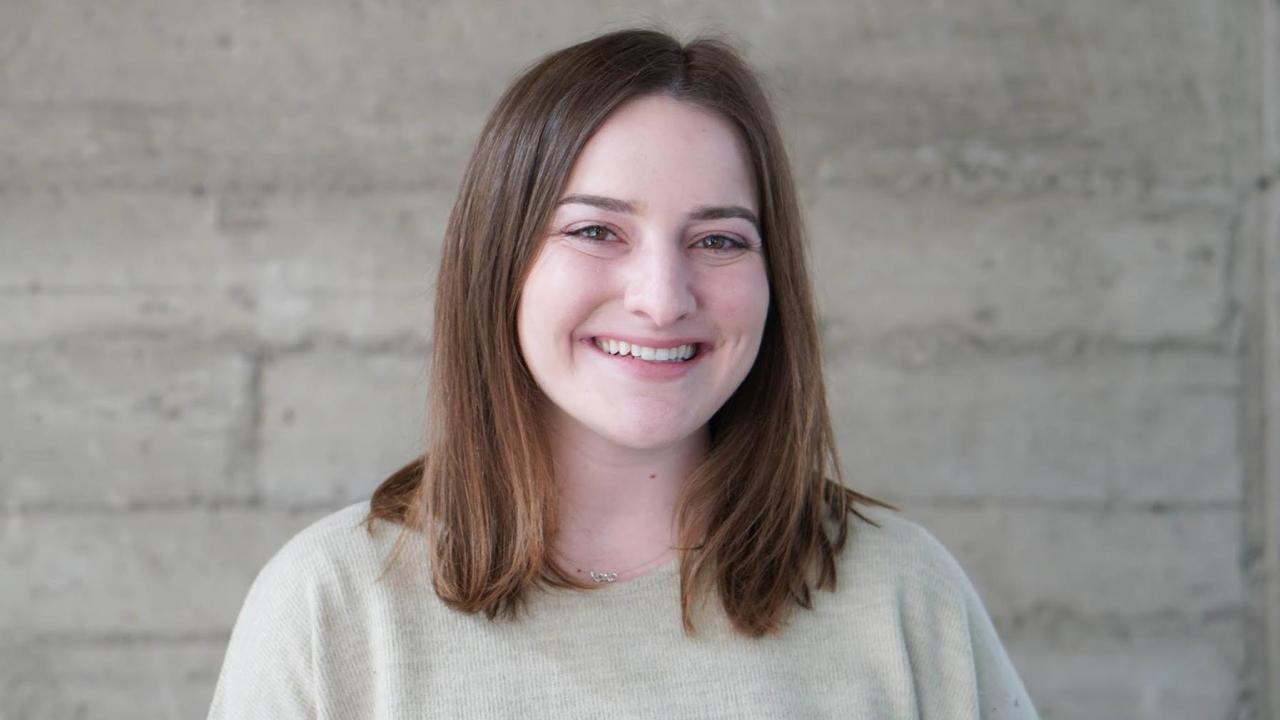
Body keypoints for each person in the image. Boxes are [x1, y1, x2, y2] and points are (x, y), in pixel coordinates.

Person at [208, 28, 1038, 719]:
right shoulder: (332, 606)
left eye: (718, 240)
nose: (662, 298)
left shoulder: (902, 594)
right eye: (597, 232)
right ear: (501, 262)